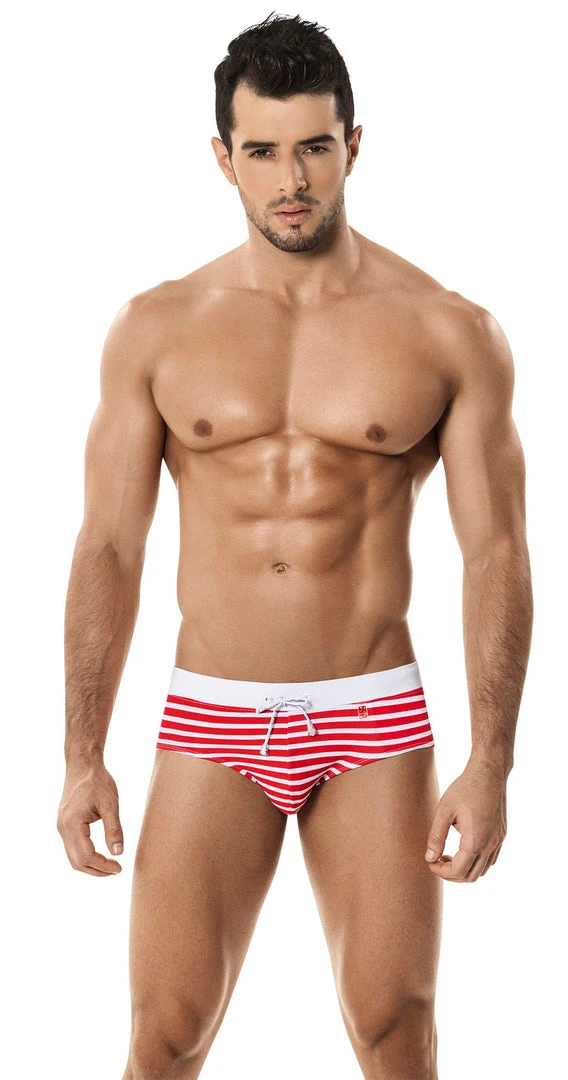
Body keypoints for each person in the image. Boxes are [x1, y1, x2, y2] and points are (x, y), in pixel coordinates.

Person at [56, 12, 533, 1080]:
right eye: (263, 151)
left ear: (353, 146)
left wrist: (492, 762)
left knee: (395, 1029)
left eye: (315, 147)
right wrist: (82, 757)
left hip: (372, 717)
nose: (293, 180)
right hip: (212, 713)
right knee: (164, 1035)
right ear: (222, 157)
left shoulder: (448, 331)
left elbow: (496, 552)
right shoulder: (156, 328)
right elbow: (109, 548)